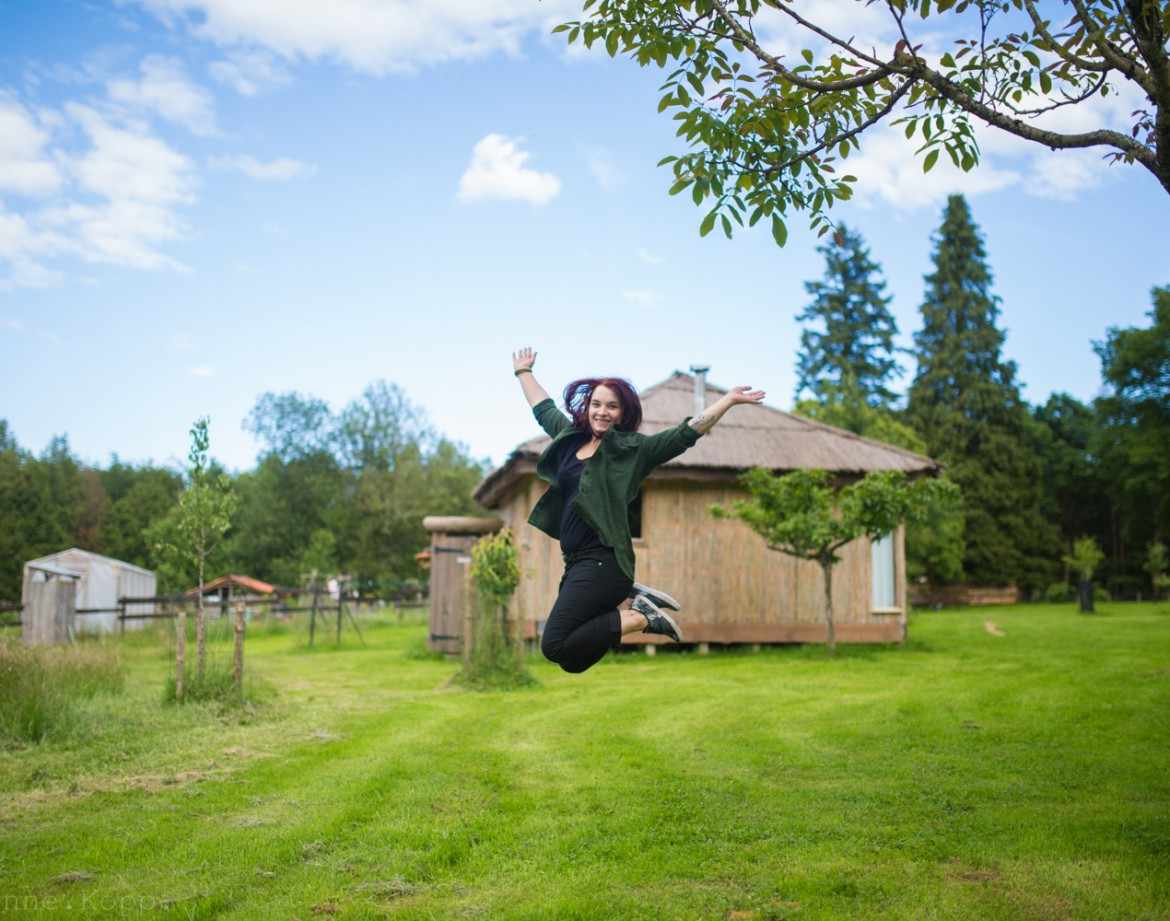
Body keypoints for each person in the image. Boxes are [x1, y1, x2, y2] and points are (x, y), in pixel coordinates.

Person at [512, 346, 765, 674]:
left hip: (603, 561)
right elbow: (543, 407)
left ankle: (640, 617)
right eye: (597, 404)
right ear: (587, 407)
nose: (602, 412)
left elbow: (686, 433)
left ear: (622, 413)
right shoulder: (569, 439)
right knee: (572, 660)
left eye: (611, 406)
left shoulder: (633, 451)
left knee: (553, 644)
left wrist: (727, 401)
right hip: (576, 563)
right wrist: (524, 372)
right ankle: (634, 599)